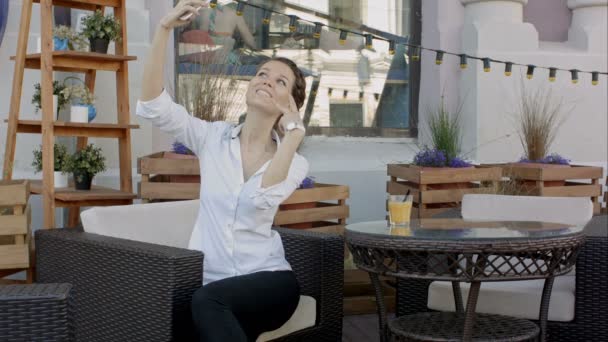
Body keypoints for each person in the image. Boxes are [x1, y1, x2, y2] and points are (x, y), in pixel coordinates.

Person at [136, 1, 309, 341]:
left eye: (280, 81)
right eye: (262, 73)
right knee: (203, 316)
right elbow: (155, 105)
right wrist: (163, 30)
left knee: (207, 303)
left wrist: (295, 133)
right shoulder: (211, 137)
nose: (266, 81)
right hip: (215, 285)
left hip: (270, 282)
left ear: (290, 104)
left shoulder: (295, 160)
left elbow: (264, 193)